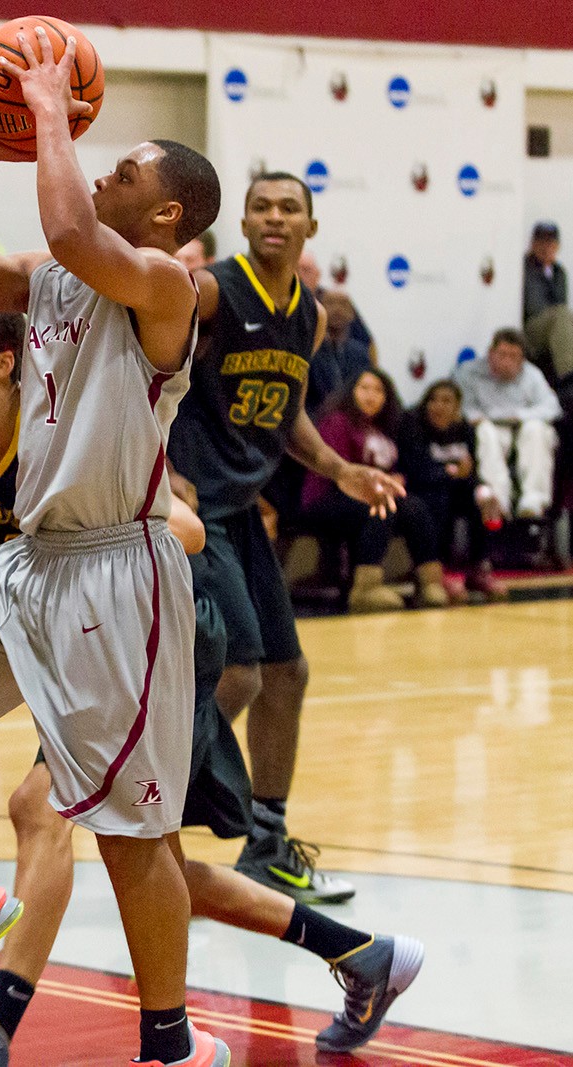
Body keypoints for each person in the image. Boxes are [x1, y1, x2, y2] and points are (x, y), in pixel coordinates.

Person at [0, 304, 420, 1066]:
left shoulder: (71, 427)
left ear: (9, 359)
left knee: (45, 812)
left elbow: (187, 530)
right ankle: (361, 953)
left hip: (152, 627)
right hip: (56, 625)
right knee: (150, 860)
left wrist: (81, 555)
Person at [0, 26, 235, 1066]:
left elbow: (78, 230)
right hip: (28, 563)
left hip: (119, 575)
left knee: (133, 836)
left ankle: (170, 1044)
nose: (103, 166)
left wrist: (44, 115)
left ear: (166, 214)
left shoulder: (164, 284)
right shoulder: (46, 277)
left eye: (127, 170)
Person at [164, 170, 401, 904]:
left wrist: (338, 467)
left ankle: (266, 844)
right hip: (192, 514)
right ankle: (148, 805)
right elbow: (141, 376)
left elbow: (287, 412)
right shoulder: (209, 291)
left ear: (310, 227)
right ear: (243, 223)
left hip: (241, 509)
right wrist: (161, 469)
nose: (274, 217)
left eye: (288, 207)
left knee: (288, 672)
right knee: (239, 671)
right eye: (261, 207)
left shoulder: (311, 317)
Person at [303, 368, 451, 611]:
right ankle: (366, 588)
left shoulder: (384, 428)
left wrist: (395, 480)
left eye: (378, 390)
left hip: (367, 496)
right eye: (364, 388)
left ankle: (430, 583)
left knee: (415, 507)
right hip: (327, 497)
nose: (371, 396)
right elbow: (339, 473)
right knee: (380, 507)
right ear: (351, 392)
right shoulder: (338, 421)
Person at [405, 379, 506, 600]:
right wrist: (449, 472)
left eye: (446, 401)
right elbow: (415, 471)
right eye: (433, 400)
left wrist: (483, 492)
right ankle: (438, 570)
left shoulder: (465, 430)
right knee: (439, 499)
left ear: (457, 407)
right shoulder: (413, 425)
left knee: (486, 502)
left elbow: (470, 472)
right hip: (422, 490)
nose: (438, 406)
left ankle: (479, 568)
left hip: (456, 488)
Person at [455, 327, 562, 520]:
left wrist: (519, 416)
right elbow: (462, 406)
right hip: (489, 425)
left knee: (537, 429)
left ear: (522, 359)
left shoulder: (532, 374)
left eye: (514, 356)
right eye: (502, 354)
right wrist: (478, 417)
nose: (507, 361)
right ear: (490, 353)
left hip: (521, 425)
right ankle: (498, 500)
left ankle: (533, 502)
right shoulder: (469, 372)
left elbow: (552, 407)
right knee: (486, 433)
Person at [522, 220, 573, 383]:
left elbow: (562, 303)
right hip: (531, 329)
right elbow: (534, 307)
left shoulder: (559, 272)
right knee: (562, 314)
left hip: (553, 323)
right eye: (541, 242)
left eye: (550, 243)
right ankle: (569, 376)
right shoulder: (525, 268)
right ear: (532, 244)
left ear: (557, 246)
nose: (545, 248)